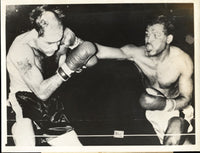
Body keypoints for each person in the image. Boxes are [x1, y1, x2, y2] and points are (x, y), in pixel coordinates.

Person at [93, 15, 194, 145]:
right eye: (147, 34)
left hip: (176, 111)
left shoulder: (182, 61)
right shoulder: (138, 54)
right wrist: (76, 42)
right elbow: (102, 51)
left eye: (156, 35)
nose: (148, 40)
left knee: (172, 139)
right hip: (151, 113)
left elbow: (186, 99)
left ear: (168, 39)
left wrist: (163, 104)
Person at [7, 5, 97, 146]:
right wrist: (69, 67)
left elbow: (92, 56)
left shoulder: (63, 34)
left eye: (58, 40)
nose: (56, 47)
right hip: (24, 102)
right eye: (50, 42)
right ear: (36, 33)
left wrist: (77, 56)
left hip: (50, 105)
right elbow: (41, 92)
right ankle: (17, 127)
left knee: (76, 149)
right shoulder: (21, 49)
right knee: (26, 141)